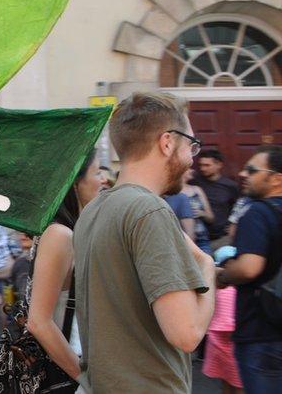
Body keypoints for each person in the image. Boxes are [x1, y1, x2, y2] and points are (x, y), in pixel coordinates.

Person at [73, 92, 215, 393]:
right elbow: (187, 333)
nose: (193, 157)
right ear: (167, 143)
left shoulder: (94, 210)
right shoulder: (148, 211)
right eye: (191, 144)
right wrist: (209, 267)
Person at [27, 151, 102, 386]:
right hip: (64, 370)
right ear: (75, 183)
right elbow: (38, 321)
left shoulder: (70, 231)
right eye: (98, 172)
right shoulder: (59, 234)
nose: (104, 180)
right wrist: (85, 379)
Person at [216, 145, 282, 393]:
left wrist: (222, 275)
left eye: (252, 170)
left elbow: (248, 269)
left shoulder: (257, 213)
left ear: (277, 178)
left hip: (262, 332)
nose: (243, 173)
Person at [193, 149, 240, 247]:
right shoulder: (194, 183)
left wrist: (234, 225)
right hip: (198, 238)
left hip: (222, 238)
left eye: (207, 165)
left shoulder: (230, 186)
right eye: (201, 165)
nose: (202, 169)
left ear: (219, 165)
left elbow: (238, 208)